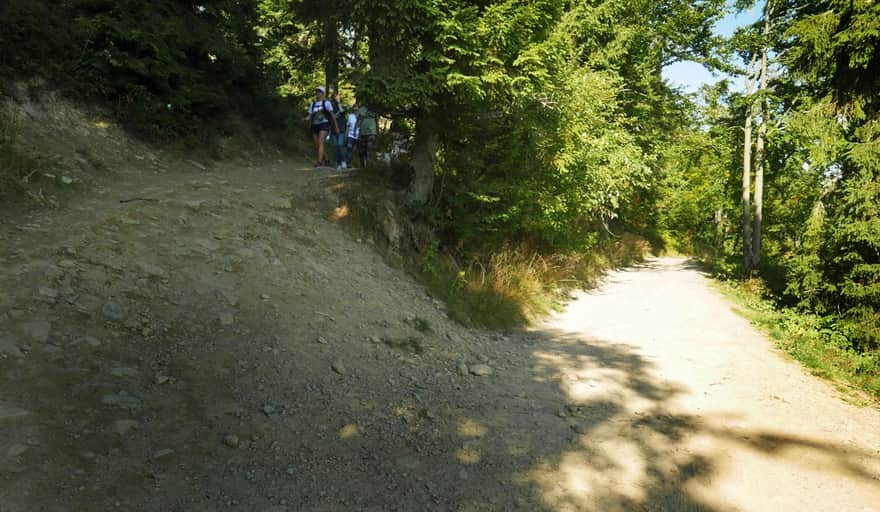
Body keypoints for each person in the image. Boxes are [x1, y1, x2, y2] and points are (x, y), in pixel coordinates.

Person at [304, 86, 339, 167]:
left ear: (323, 93)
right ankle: (326, 159)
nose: (317, 93)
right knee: (317, 144)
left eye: (319, 92)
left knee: (320, 141)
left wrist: (336, 127)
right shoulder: (313, 104)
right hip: (314, 125)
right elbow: (310, 115)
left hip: (324, 124)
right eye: (316, 91)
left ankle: (319, 162)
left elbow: (332, 116)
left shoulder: (326, 103)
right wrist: (305, 119)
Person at [331, 92, 347, 170]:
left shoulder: (343, 106)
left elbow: (342, 112)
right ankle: (339, 163)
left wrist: (339, 103)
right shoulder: (331, 107)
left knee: (340, 145)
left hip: (341, 129)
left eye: (338, 96)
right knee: (336, 147)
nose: (337, 98)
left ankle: (343, 161)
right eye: (335, 97)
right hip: (333, 129)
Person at [345, 102, 359, 169]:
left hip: (357, 136)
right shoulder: (350, 116)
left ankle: (349, 161)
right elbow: (347, 126)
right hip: (350, 135)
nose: (356, 110)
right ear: (353, 109)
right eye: (354, 109)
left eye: (357, 109)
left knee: (353, 149)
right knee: (349, 148)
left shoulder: (360, 117)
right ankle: (348, 163)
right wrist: (346, 135)